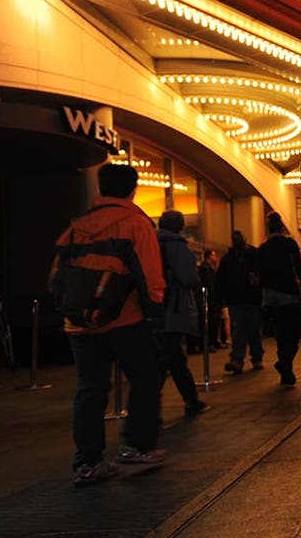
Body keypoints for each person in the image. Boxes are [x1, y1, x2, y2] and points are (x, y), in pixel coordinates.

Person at [52, 163, 168, 485]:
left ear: (100, 189)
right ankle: (136, 445)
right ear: (134, 189)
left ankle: (87, 462)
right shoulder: (134, 223)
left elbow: (56, 275)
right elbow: (150, 273)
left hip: (80, 323)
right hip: (125, 318)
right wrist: (154, 309)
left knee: (90, 388)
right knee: (145, 377)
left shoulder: (77, 226)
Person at [156, 210, 211, 415]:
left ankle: (191, 399)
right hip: (174, 308)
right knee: (167, 359)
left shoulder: (150, 242)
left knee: (171, 357)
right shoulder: (178, 247)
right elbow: (189, 278)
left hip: (152, 308)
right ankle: (151, 406)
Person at [256, 212, 301, 386]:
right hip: (288, 293)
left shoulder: (263, 249)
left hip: (271, 296)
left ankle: (285, 369)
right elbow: (298, 268)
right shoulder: (289, 244)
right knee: (293, 332)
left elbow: (259, 274)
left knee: (281, 333)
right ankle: (286, 362)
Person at [216, 230, 263, 374]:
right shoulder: (229, 258)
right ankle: (239, 358)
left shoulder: (250, 255)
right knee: (240, 330)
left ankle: (253, 357)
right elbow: (220, 280)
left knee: (250, 329)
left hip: (249, 298)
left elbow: (220, 279)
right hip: (238, 300)